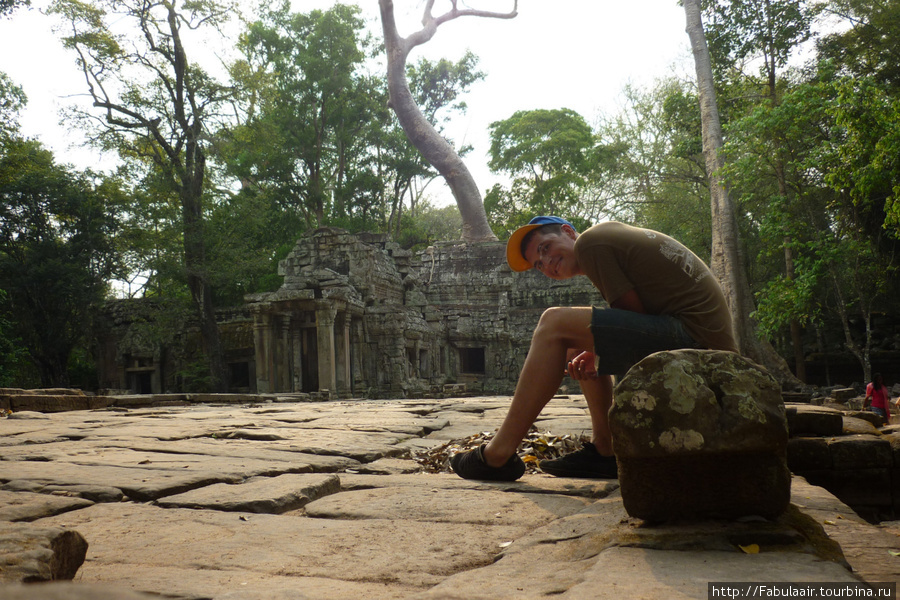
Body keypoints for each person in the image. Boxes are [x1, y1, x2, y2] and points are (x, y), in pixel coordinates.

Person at [450, 217, 738, 481]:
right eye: (539, 264)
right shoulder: (605, 241)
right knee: (575, 344)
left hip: (700, 342)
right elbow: (632, 322)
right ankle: (606, 450)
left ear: (568, 232)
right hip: (693, 335)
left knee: (553, 323)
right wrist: (592, 350)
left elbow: (631, 317)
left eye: (545, 248)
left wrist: (598, 350)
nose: (546, 262)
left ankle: (497, 454)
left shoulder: (591, 242)